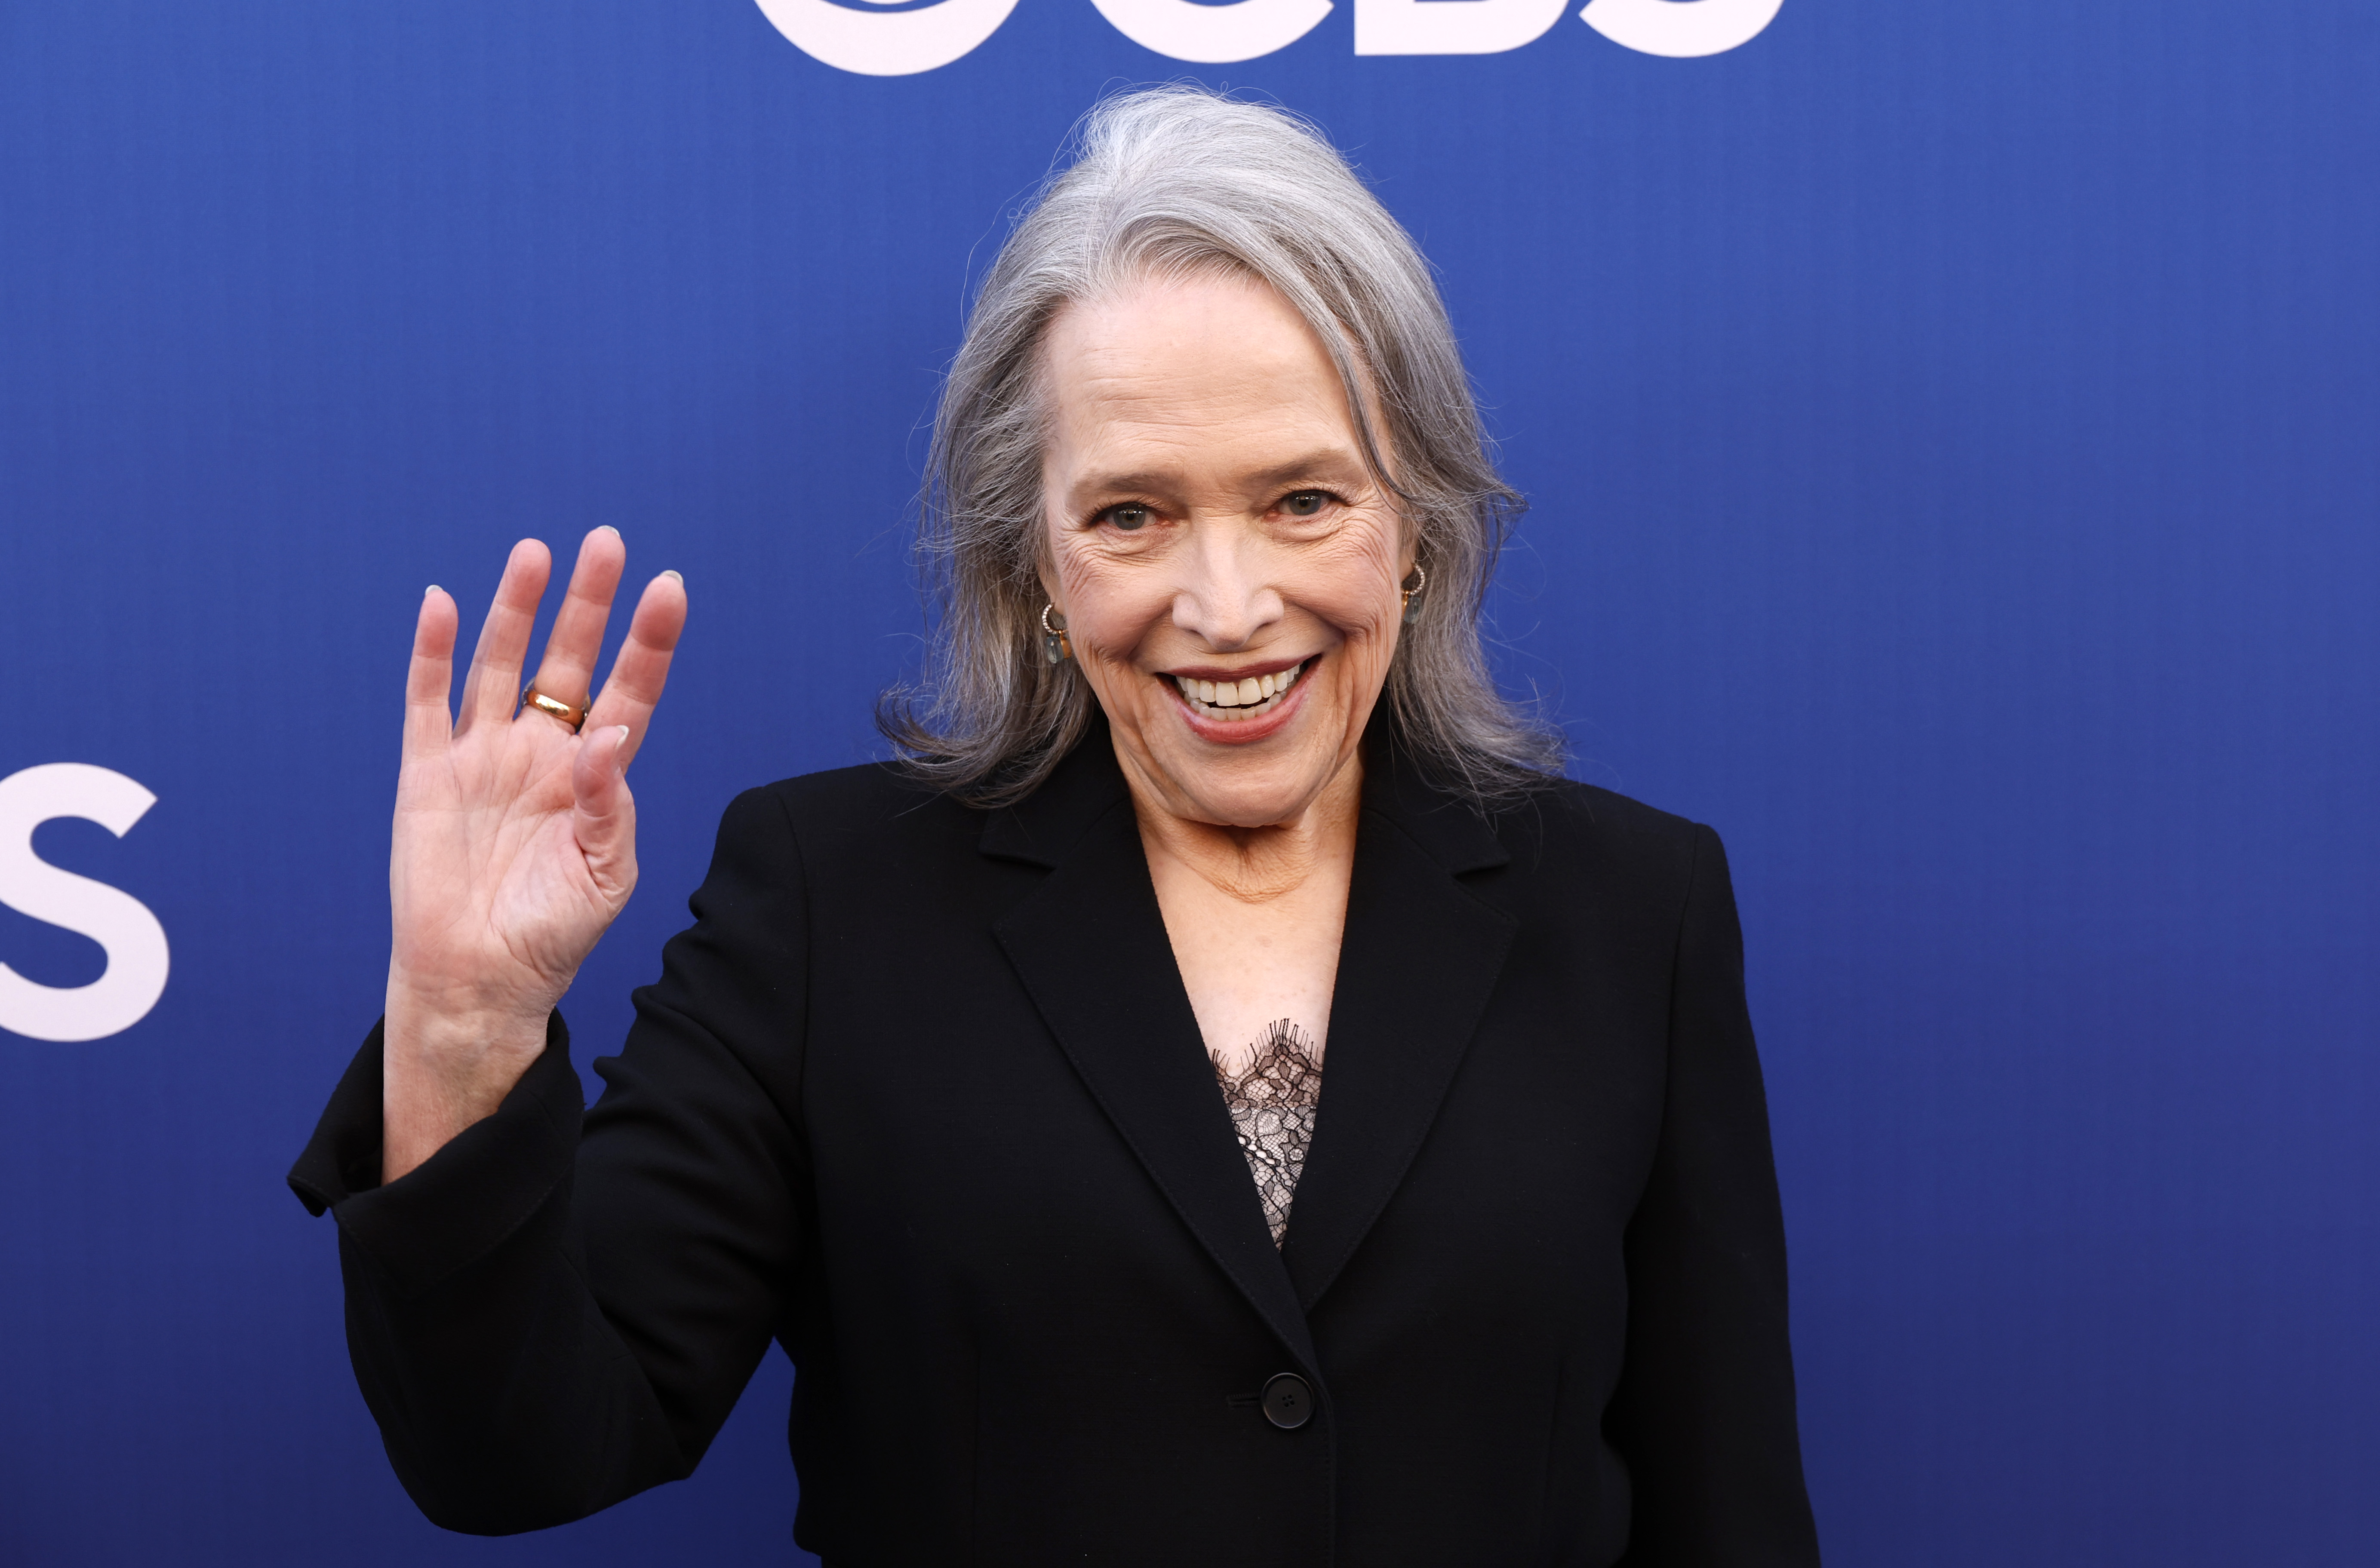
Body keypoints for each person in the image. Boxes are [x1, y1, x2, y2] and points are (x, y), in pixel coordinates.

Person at [291, 86, 1820, 1566]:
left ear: (1414, 521)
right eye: (1132, 515)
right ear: (1031, 563)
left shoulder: (1639, 908)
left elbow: (1727, 1508)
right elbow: (522, 1454)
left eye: (1302, 500)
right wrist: (461, 1025)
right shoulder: (828, 903)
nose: (1227, 611)